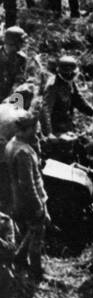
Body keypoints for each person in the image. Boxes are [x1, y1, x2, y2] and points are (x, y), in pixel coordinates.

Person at [5, 111, 48, 279]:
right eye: (35, 128)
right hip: (28, 201)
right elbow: (28, 184)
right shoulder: (23, 152)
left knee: (29, 233)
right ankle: (36, 273)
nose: (37, 131)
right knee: (37, 234)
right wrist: (38, 205)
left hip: (18, 198)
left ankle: (19, 260)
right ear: (28, 128)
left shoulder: (12, 144)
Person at [39, 56, 93, 136]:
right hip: (55, 127)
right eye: (67, 74)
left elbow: (79, 101)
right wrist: (49, 133)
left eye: (72, 74)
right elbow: (45, 110)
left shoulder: (69, 82)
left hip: (67, 123)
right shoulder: (52, 86)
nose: (70, 75)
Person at [0, 26, 35, 103]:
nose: (22, 46)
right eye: (20, 43)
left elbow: (19, 80)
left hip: (9, 96)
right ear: (13, 43)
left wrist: (10, 98)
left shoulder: (21, 58)